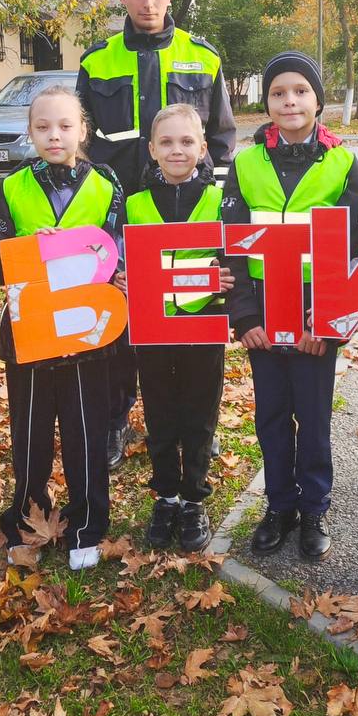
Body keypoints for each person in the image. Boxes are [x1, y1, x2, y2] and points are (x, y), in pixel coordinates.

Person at [77, 0, 237, 470]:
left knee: (193, 320)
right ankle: (119, 419)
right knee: (124, 322)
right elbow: (83, 140)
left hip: (190, 211)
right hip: (122, 211)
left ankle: (197, 425)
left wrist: (212, 213)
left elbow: (222, 140)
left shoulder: (204, 56)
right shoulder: (96, 60)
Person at [222, 51, 358, 561]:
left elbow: (354, 249)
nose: (290, 100)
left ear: (318, 101)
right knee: (272, 414)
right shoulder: (244, 163)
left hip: (312, 313)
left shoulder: (344, 163)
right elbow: (231, 246)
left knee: (313, 413)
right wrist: (244, 317)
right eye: (279, 92)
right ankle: (278, 506)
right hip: (263, 309)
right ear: (266, 101)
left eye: (301, 91)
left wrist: (327, 319)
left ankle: (313, 510)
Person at [0, 85, 126, 571]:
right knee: (30, 433)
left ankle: (87, 525)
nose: (54, 135)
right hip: (30, 332)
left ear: (83, 129)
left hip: (89, 334)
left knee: (86, 432)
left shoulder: (107, 183)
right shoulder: (13, 186)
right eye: (42, 127)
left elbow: (119, 248)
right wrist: (27, 246)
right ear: (30, 132)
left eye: (65, 125)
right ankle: (27, 518)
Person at [121, 103, 234, 552]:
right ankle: (166, 494)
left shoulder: (220, 199)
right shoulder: (133, 203)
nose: (176, 150)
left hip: (202, 323)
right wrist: (121, 273)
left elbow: (234, 256)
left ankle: (194, 498)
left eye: (187, 141)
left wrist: (226, 274)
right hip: (152, 325)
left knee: (200, 412)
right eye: (166, 142)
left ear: (203, 148)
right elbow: (116, 256)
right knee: (161, 411)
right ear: (151, 149)